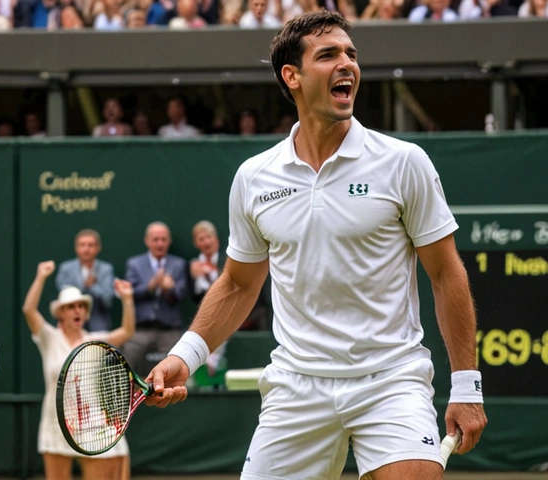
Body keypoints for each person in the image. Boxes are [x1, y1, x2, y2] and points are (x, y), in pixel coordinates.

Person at [144, 11, 487, 480]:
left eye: (351, 54)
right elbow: (239, 285)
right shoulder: (254, 177)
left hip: (391, 380)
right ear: (293, 76)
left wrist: (467, 387)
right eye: (328, 55)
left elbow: (447, 273)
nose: (346, 64)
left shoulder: (404, 163)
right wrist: (185, 356)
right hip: (295, 388)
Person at [23, 261, 136, 480]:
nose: (77, 310)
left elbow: (127, 331)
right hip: (56, 421)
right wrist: (41, 276)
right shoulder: (48, 337)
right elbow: (28, 310)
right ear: (61, 313)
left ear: (85, 313)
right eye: (71, 307)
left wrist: (128, 299)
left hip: (92, 423)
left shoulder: (95, 341)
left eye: (81, 307)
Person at [123, 221, 188, 378]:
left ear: (169, 241)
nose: (159, 243)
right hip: (140, 331)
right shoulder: (134, 264)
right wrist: (151, 286)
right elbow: (130, 293)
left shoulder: (178, 264)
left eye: (163, 239)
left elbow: (182, 293)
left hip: (169, 330)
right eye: (155, 239)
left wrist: (170, 288)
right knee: (125, 364)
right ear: (147, 241)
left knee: (177, 368)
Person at [56, 228, 116, 332]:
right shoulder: (66, 268)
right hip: (71, 325)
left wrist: (93, 287)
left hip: (99, 325)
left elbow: (107, 300)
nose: (86, 249)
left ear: (98, 248)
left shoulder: (106, 269)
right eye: (82, 245)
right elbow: (64, 297)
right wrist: (84, 286)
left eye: (90, 245)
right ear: (76, 248)